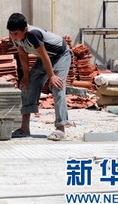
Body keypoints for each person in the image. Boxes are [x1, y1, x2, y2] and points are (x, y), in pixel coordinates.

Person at [6, 13, 71, 141]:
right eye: (11, 33)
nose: (14, 36)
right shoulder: (15, 37)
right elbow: (23, 56)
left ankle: (60, 128)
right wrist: (25, 77)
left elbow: (45, 55)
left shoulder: (33, 34)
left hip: (60, 56)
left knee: (57, 87)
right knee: (27, 87)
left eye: (16, 33)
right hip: (45, 58)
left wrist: (52, 76)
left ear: (25, 30)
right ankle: (24, 129)